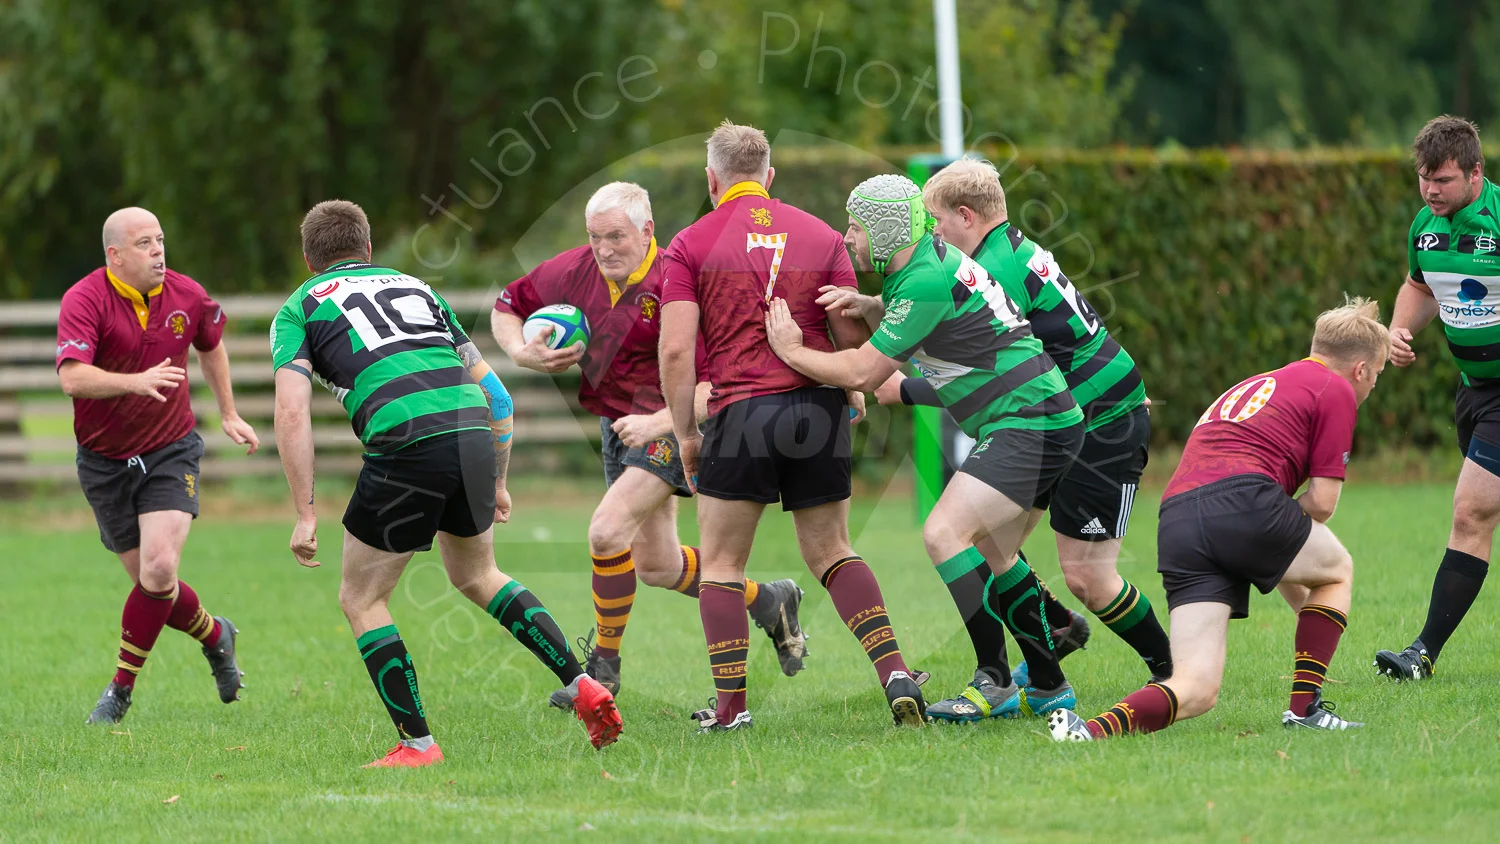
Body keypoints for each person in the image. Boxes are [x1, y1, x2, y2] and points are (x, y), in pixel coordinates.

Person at [271, 200, 621, 767]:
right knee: (479, 574)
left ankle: (418, 746)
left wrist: (305, 513)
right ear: (366, 248)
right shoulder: (418, 289)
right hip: (472, 435)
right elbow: (499, 398)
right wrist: (498, 479)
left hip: (405, 445)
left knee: (361, 597)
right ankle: (582, 685)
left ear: (310, 259)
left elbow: (291, 415)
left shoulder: (298, 307)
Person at [766, 172, 1086, 724]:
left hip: (1027, 419)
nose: (848, 238)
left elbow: (865, 372)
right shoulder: (918, 263)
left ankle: (994, 676)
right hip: (1042, 416)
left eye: (857, 227)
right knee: (993, 552)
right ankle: (1051, 682)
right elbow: (924, 318)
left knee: (944, 534)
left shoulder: (921, 281)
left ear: (888, 230)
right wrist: (867, 303)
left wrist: (791, 350)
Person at [490, 181, 806, 708]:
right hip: (614, 427)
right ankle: (770, 600)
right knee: (656, 565)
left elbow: (721, 384)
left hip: (671, 429)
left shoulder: (679, 279)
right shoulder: (573, 271)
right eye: (595, 237)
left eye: (616, 236)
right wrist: (522, 353)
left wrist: (662, 421)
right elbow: (508, 304)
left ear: (647, 230)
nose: (605, 249)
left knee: (605, 530)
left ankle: (602, 672)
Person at [866, 158, 1171, 693]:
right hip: (1064, 417)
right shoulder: (1001, 252)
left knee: (1089, 578)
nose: (931, 234)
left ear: (966, 216)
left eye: (935, 221)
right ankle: (1049, 644)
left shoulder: (996, 268)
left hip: (1103, 420)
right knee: (985, 542)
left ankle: (1174, 672)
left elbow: (993, 369)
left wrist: (905, 389)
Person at [660, 122, 924, 732]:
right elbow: (853, 333)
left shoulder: (690, 243)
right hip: (817, 410)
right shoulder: (823, 235)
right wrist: (852, 388)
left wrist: (687, 436)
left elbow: (675, 353)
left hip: (741, 412)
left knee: (723, 565)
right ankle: (896, 674)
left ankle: (731, 711)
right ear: (769, 177)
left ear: (711, 179)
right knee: (833, 551)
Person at [1050, 298, 1387, 742]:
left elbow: (1271, 534)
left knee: (1196, 688)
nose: (1371, 387)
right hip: (1242, 503)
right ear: (1361, 369)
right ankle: (1305, 711)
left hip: (1178, 517)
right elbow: (1321, 504)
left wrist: (1282, 563)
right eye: (1377, 376)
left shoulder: (1268, 382)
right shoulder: (1336, 388)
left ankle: (1086, 732)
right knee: (1338, 569)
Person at [58, 206, 258, 725]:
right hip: (103, 462)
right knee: (157, 591)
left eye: (161, 240)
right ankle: (217, 635)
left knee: (159, 568)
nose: (158, 252)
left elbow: (211, 346)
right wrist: (134, 382)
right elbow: (73, 378)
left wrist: (229, 413)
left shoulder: (188, 295)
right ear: (114, 255)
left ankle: (119, 691)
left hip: (172, 449)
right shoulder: (84, 299)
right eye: (144, 244)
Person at [1376, 115, 1500, 681]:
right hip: (1472, 392)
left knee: (1471, 512)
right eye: (1424, 178)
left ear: (1476, 173)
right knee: (1479, 516)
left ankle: (1421, 653)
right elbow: (1420, 285)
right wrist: (1400, 331)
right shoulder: (1425, 226)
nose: (1430, 190)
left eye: (1443, 180)